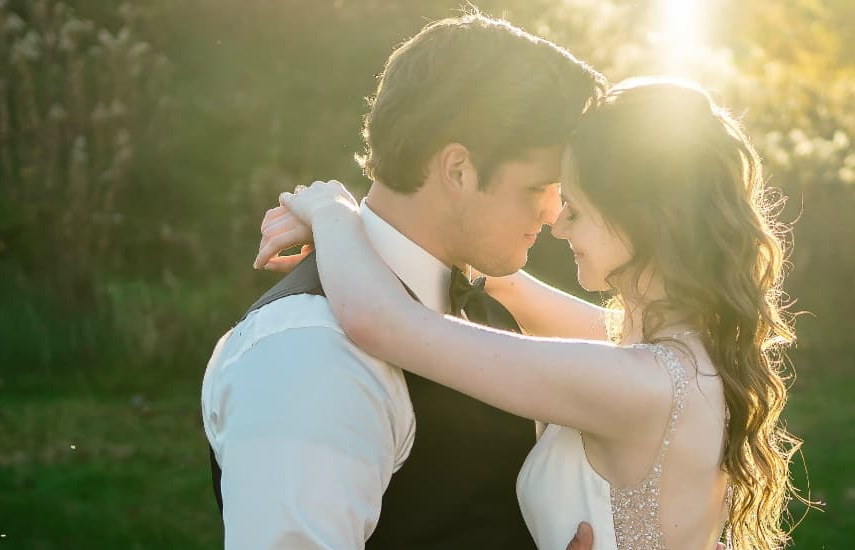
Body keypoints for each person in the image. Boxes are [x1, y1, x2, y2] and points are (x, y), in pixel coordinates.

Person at [260, 77, 802, 549]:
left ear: (646, 221)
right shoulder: (676, 355)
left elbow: (382, 322)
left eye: (578, 209)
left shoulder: (638, 386)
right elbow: (504, 283)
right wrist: (382, 227)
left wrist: (330, 210)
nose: (559, 225)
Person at [199, 13, 604, 549]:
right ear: (457, 169)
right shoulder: (309, 352)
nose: (555, 214)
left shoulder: (484, 306)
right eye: (539, 187)